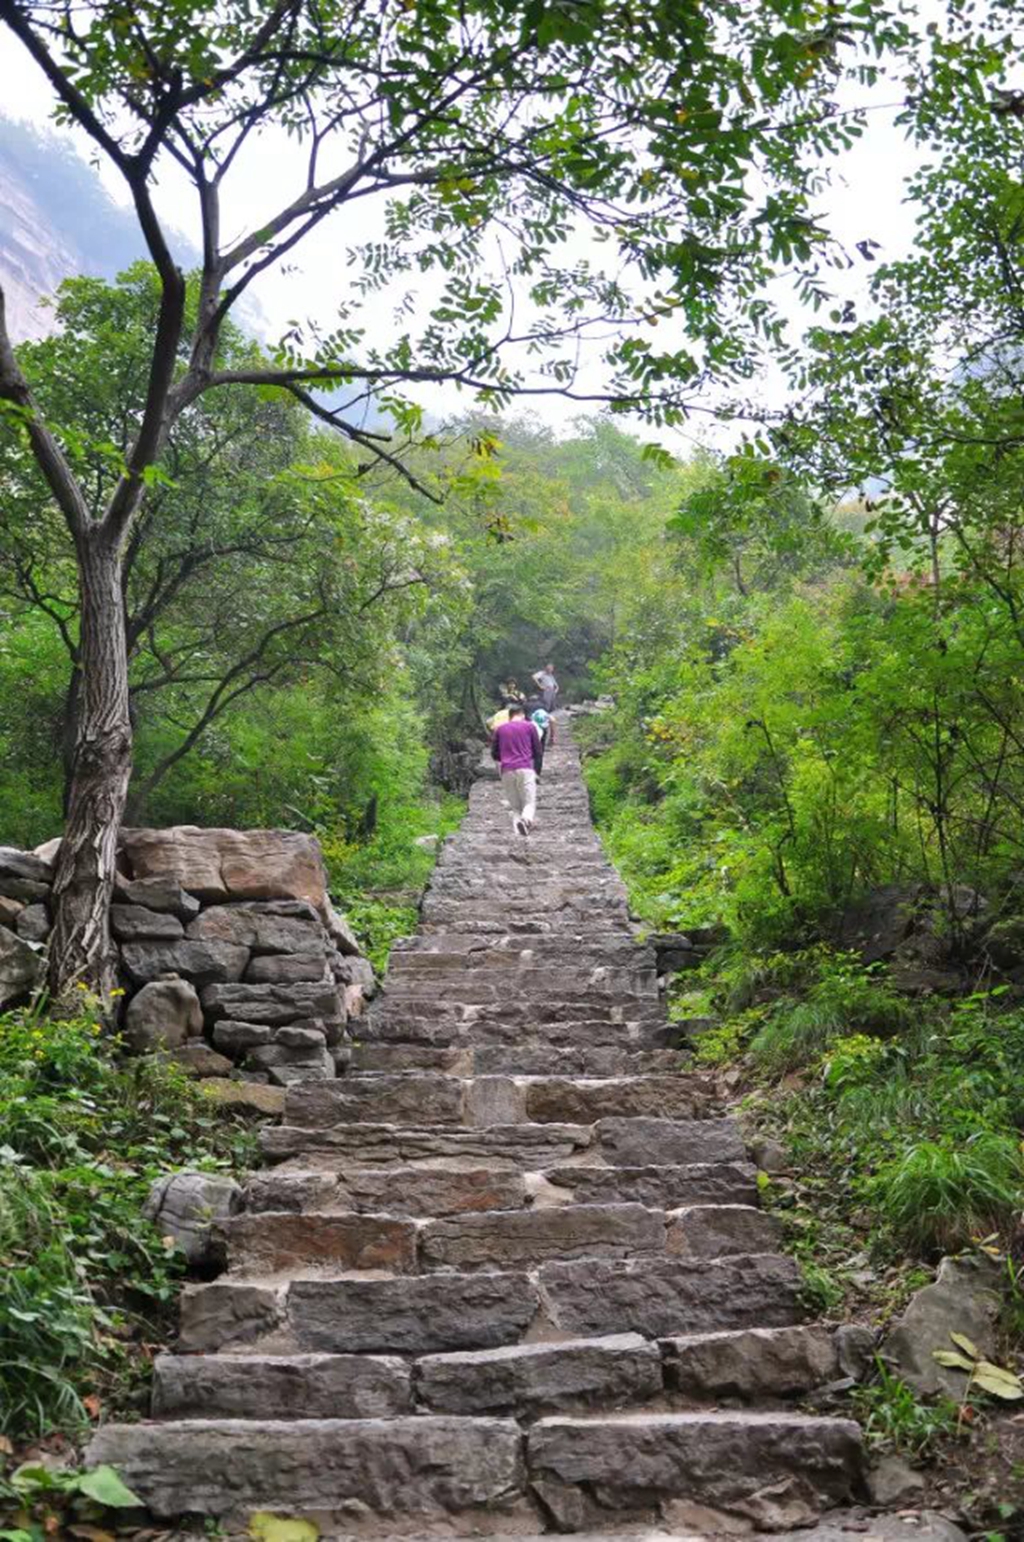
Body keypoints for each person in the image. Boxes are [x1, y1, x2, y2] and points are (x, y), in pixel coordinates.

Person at [491, 702, 543, 836]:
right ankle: (526, 820)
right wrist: (536, 771)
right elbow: (538, 751)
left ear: (509, 716)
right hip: (525, 768)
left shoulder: (500, 729)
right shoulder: (529, 726)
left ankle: (520, 833)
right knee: (529, 802)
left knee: (515, 807)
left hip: (507, 770)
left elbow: (494, 754)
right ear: (522, 715)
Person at [527, 696, 555, 775]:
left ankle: (528, 770)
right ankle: (537, 772)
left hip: (527, 729)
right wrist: (552, 737)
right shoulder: (543, 706)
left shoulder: (525, 705)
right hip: (542, 729)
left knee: (527, 750)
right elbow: (551, 719)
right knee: (539, 751)